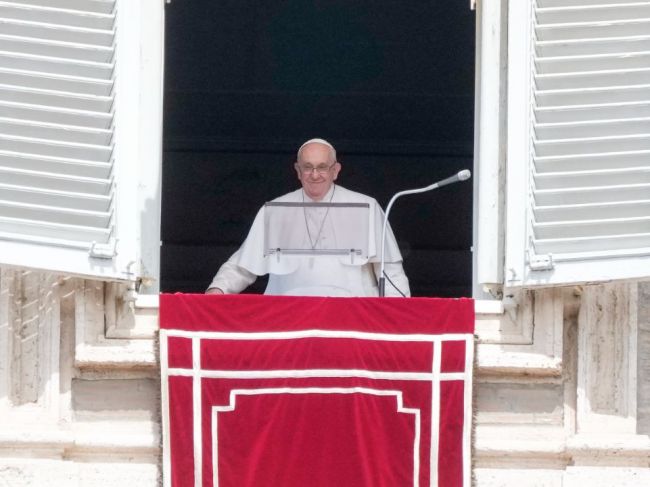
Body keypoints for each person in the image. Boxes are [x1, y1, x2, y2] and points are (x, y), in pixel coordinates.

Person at [206, 138, 410, 297]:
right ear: (297, 170)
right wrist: (218, 289)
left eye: (322, 167)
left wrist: (399, 318)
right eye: (308, 167)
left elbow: (390, 270)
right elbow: (243, 265)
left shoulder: (367, 206)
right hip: (289, 318)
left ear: (335, 171)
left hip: (351, 318)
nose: (314, 174)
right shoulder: (276, 210)